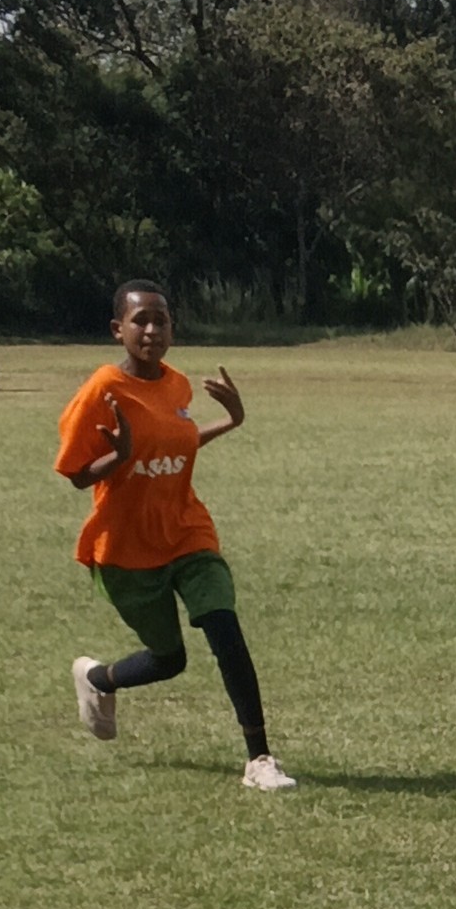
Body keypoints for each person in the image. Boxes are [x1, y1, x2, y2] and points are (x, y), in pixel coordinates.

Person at [57, 280, 295, 790]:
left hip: (186, 530)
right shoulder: (101, 390)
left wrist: (231, 421)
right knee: (169, 660)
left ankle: (260, 759)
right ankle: (97, 679)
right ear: (117, 329)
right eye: (140, 320)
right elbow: (76, 473)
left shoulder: (178, 385)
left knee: (225, 628)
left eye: (160, 320)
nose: (151, 330)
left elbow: (177, 444)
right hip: (126, 548)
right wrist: (118, 458)